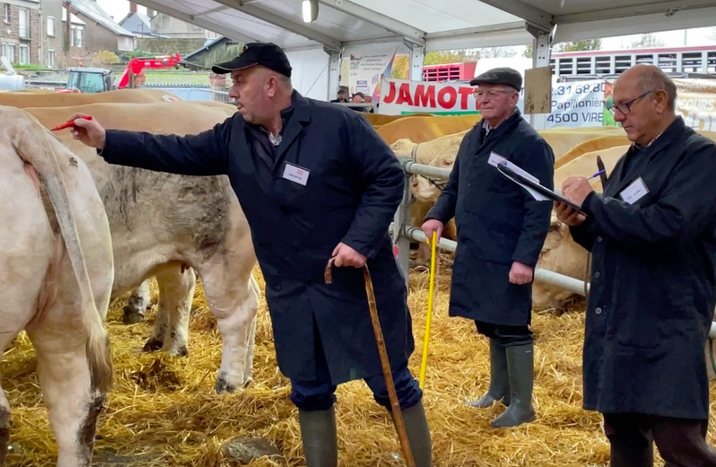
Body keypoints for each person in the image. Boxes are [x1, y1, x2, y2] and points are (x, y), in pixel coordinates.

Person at [68, 42, 432, 467]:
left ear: (271, 84)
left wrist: (360, 240)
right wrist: (108, 140)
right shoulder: (234, 134)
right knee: (309, 389)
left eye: (240, 80)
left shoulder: (337, 124)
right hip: (292, 288)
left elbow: (387, 177)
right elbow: (177, 151)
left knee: (391, 384)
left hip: (354, 283)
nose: (232, 89)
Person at [555, 64, 716, 467]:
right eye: (614, 108)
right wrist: (583, 223)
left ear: (660, 101)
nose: (618, 116)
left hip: (666, 320)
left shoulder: (699, 157)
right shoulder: (633, 158)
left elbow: (668, 228)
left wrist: (594, 203)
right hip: (622, 318)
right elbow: (619, 230)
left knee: (680, 443)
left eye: (625, 105)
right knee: (624, 433)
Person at [421, 67, 554, 428]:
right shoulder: (473, 137)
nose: (483, 99)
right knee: (491, 322)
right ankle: (500, 391)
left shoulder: (529, 144)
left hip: (507, 250)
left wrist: (524, 259)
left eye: (493, 93)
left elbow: (538, 205)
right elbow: (454, 185)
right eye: (479, 93)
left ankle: (523, 406)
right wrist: (436, 216)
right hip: (476, 247)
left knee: (511, 324)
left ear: (514, 98)